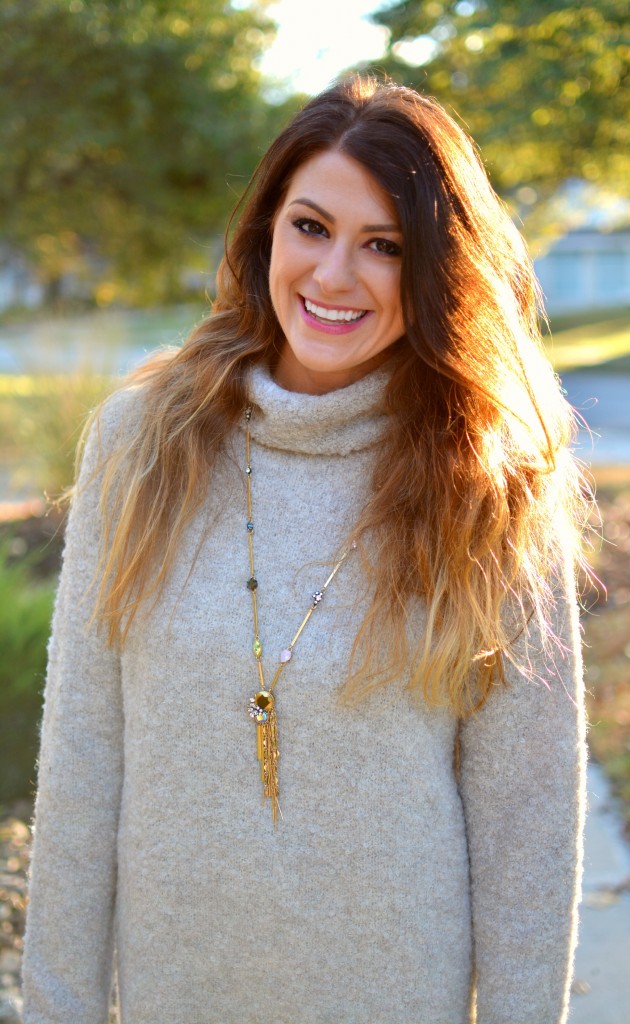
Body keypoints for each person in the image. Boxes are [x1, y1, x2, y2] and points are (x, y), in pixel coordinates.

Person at [22, 75, 588, 1024]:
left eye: (385, 247)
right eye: (311, 227)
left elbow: (526, 826)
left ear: (438, 271)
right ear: (264, 234)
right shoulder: (141, 440)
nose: (332, 277)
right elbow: (82, 758)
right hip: (178, 993)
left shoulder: (491, 482)